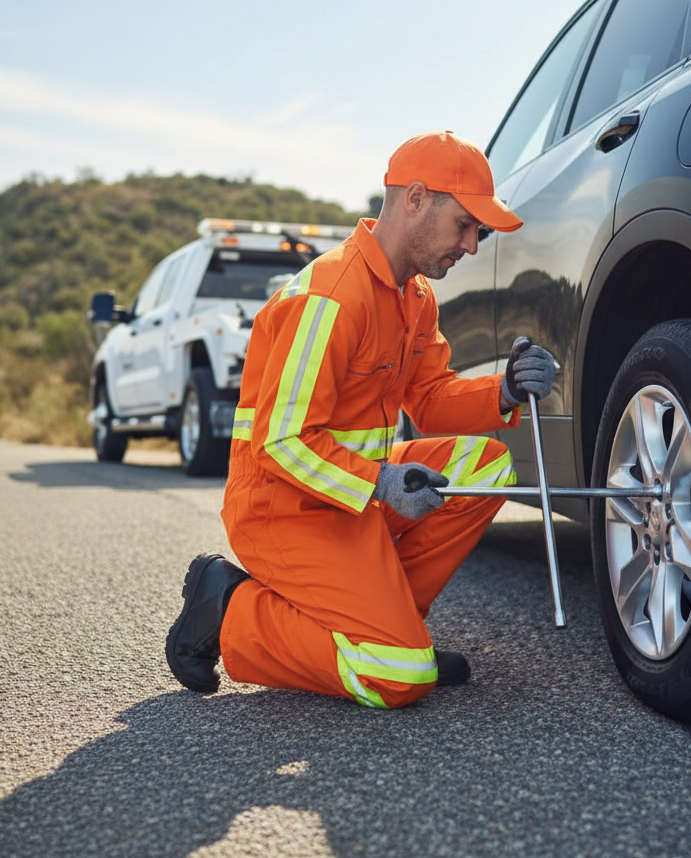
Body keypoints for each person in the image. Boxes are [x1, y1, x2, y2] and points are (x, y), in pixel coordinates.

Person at [165, 130, 556, 709]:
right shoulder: (331, 297)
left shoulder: (413, 296)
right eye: (466, 225)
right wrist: (379, 483)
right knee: (396, 677)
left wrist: (503, 389)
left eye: (481, 232)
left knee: (485, 467)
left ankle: (396, 627)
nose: (472, 245)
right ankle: (229, 609)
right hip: (285, 506)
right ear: (416, 199)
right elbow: (281, 442)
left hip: (353, 492)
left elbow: (430, 397)